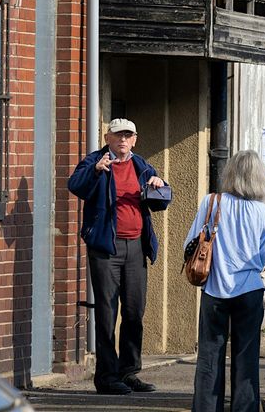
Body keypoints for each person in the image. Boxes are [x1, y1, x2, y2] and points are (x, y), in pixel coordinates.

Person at [68, 118, 169, 395]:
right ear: (108, 137)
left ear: (134, 140)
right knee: (107, 312)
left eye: (128, 135)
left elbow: (161, 201)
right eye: (117, 135)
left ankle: (129, 372)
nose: (123, 140)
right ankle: (106, 377)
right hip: (106, 247)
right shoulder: (95, 161)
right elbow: (75, 185)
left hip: (136, 247)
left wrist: (158, 184)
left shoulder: (142, 166)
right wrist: (96, 172)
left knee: (135, 311)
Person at [186, 150, 265, 412]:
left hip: (215, 288)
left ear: (230, 173)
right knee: (246, 355)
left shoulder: (211, 202)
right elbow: (264, 254)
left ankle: (206, 408)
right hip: (249, 289)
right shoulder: (262, 211)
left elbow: (190, 243)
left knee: (210, 355)